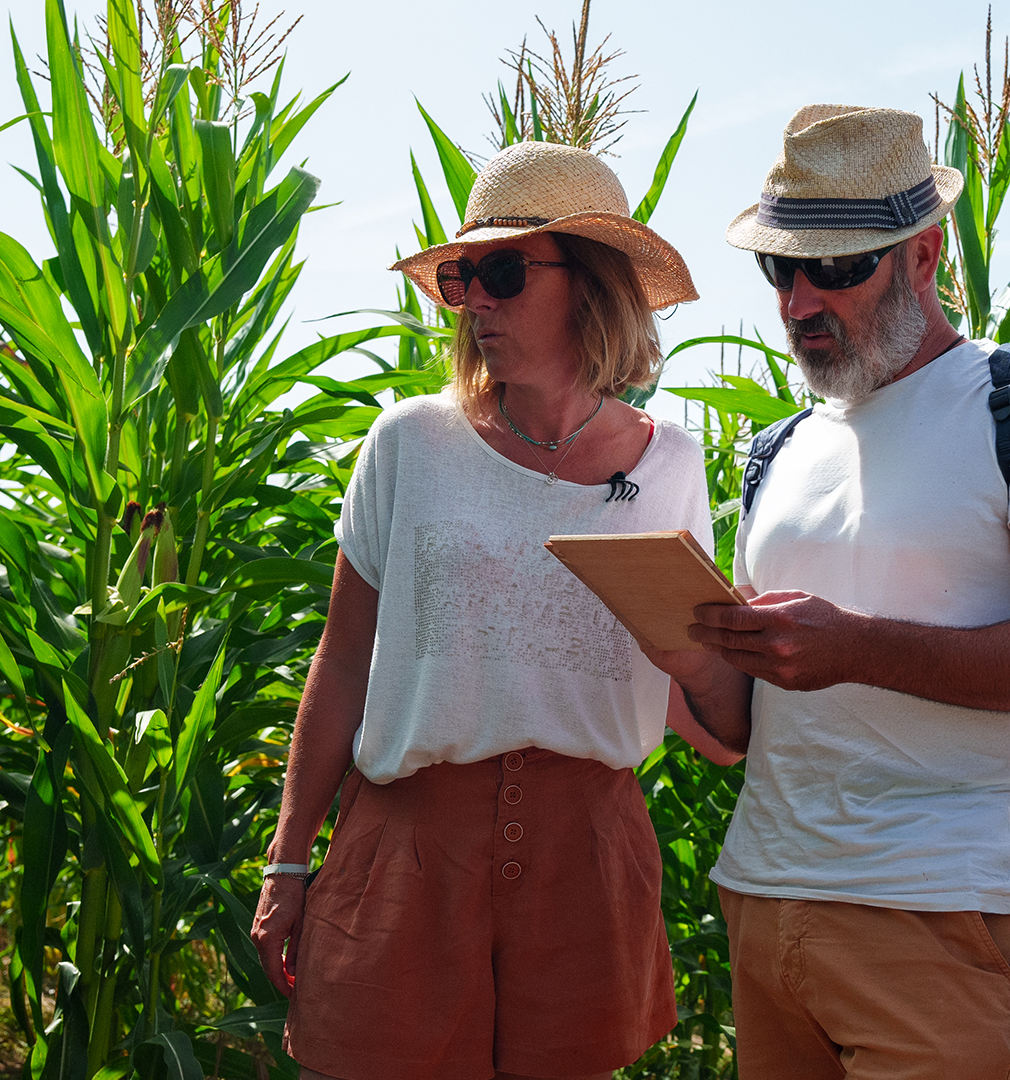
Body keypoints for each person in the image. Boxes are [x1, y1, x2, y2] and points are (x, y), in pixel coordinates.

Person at [655, 104, 1010, 1078]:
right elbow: (742, 728)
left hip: (939, 921)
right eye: (780, 270)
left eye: (834, 269)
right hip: (764, 900)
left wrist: (856, 647)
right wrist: (678, 653)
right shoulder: (779, 450)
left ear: (922, 256)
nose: (798, 302)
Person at [249, 140, 735, 1080]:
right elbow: (342, 661)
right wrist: (285, 862)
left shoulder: (672, 466)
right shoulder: (409, 444)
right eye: (464, 276)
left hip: (587, 866)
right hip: (407, 854)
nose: (475, 300)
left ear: (591, 284)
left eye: (502, 272)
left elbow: (681, 673)